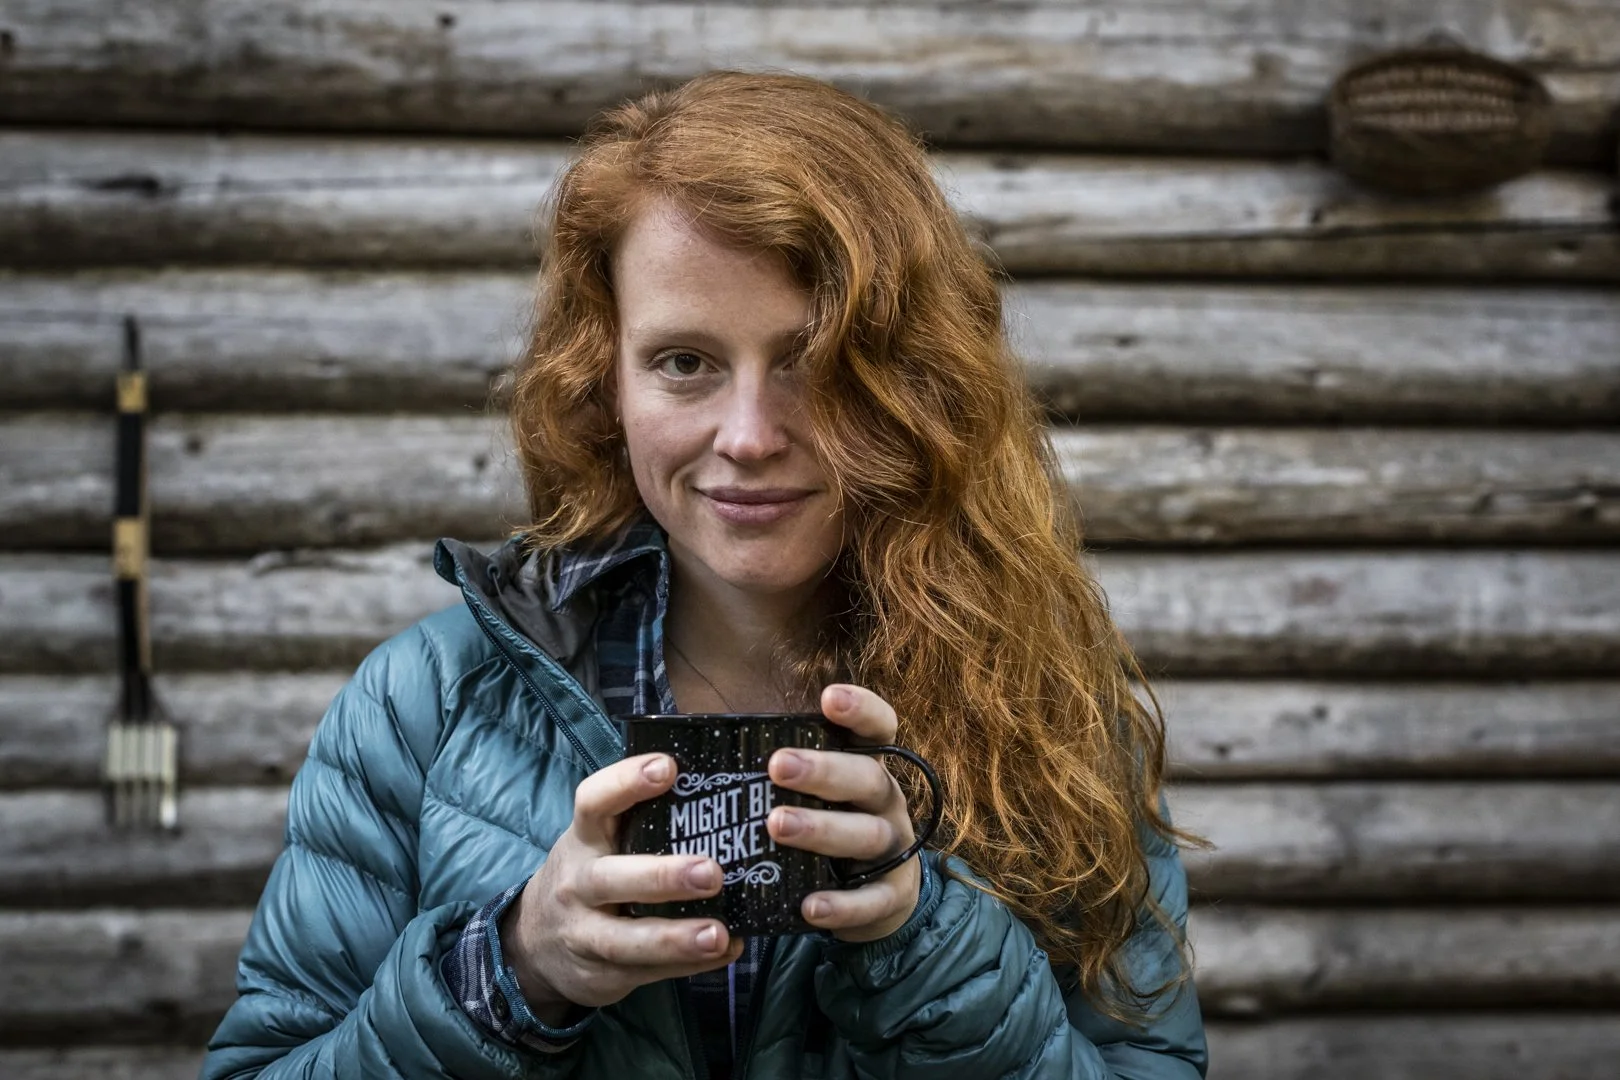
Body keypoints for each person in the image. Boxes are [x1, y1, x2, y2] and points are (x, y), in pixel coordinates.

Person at [202, 70, 1207, 1079]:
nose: (750, 436)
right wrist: (514, 970)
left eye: (816, 359)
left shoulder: (1050, 712)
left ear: (916, 383)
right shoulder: (426, 708)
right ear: (605, 379)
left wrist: (921, 936)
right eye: (685, 362)